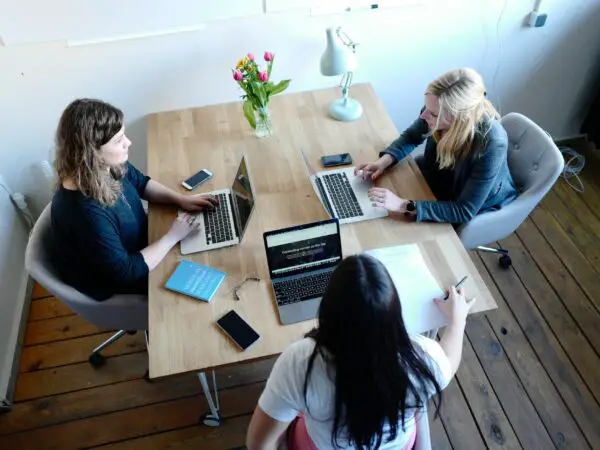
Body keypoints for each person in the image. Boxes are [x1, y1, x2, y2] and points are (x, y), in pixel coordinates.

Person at [246, 254, 476, 450]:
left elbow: (257, 444)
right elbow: (449, 361)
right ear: (394, 313)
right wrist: (457, 320)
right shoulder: (422, 358)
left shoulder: (299, 362)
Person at [51, 98, 217, 301]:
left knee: (206, 246)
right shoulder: (85, 213)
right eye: (119, 141)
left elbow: (140, 183)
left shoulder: (101, 167)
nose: (128, 143)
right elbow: (125, 271)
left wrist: (180, 200)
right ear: (92, 152)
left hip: (140, 244)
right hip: (120, 278)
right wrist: (172, 237)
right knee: (208, 271)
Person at [358, 68, 518, 224]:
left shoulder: (491, 144)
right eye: (426, 107)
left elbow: (464, 210)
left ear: (460, 119)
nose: (423, 115)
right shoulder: (435, 108)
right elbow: (412, 136)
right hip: (441, 176)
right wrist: (383, 162)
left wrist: (402, 204)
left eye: (433, 114)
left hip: (472, 202)